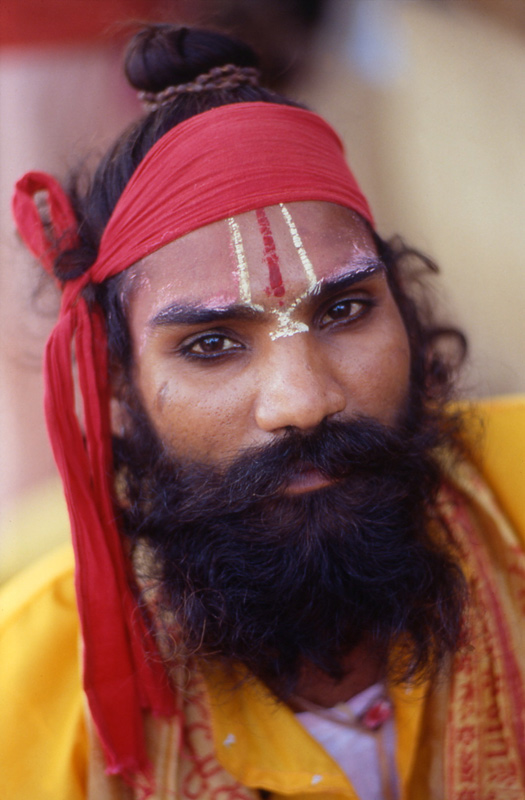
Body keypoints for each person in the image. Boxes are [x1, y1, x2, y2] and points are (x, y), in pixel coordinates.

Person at [1, 24, 525, 800]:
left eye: (344, 309)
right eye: (211, 344)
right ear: (115, 390)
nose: (303, 401)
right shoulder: (28, 679)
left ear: (406, 318)